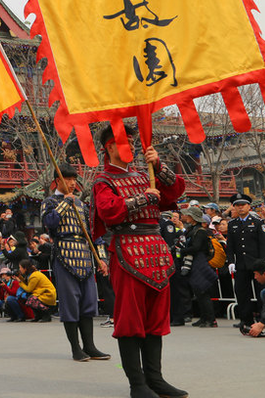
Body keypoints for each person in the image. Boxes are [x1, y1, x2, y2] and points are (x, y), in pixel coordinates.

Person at [91, 124, 186, 398]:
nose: (131, 147)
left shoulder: (147, 176)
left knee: (155, 319)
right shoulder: (103, 180)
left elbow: (174, 193)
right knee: (130, 320)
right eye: (124, 142)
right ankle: (137, 384)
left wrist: (159, 165)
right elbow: (109, 211)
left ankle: (155, 379)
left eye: (132, 142)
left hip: (156, 251)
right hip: (127, 250)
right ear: (109, 147)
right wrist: (143, 198)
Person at [41, 162, 110, 361]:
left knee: (88, 302)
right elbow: (50, 223)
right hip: (64, 255)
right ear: (57, 180)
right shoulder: (50, 202)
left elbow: (94, 233)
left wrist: (101, 258)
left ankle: (90, 346)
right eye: (68, 179)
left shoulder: (82, 205)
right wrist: (65, 203)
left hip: (85, 256)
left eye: (74, 179)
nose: (72, 183)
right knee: (70, 303)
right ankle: (75, 348)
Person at [227, 193, 265, 330]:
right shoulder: (232, 224)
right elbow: (230, 245)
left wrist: (263, 264)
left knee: (261, 292)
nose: (240, 208)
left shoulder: (258, 223)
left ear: (249, 206)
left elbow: (264, 245)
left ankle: (262, 319)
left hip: (256, 264)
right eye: (237, 206)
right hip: (241, 264)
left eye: (243, 205)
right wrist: (231, 261)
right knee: (241, 292)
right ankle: (245, 320)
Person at [178, 206, 218, 328]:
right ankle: (203, 317)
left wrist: (182, 250)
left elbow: (196, 248)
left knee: (202, 291)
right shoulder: (191, 229)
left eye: (188, 215)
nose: (186, 217)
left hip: (199, 261)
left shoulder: (200, 231)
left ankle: (211, 319)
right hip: (194, 261)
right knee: (198, 292)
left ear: (193, 218)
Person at [243, 259, 265, 337]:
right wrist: (262, 323)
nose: (255, 277)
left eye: (256, 274)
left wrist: (262, 323)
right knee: (264, 293)